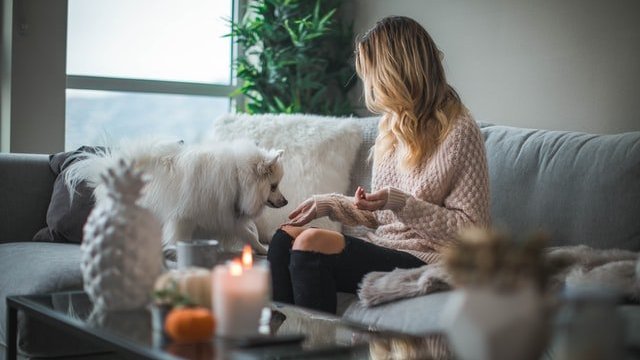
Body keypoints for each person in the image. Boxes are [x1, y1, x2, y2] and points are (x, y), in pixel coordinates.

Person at [267, 16, 490, 314]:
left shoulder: (459, 130)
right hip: (385, 246)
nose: (368, 83)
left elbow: (472, 233)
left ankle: (319, 349)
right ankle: (280, 344)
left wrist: (402, 204)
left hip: (431, 258)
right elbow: (382, 214)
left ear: (394, 72)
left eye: (371, 73)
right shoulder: (392, 124)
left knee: (312, 243)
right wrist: (330, 204)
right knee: (284, 238)